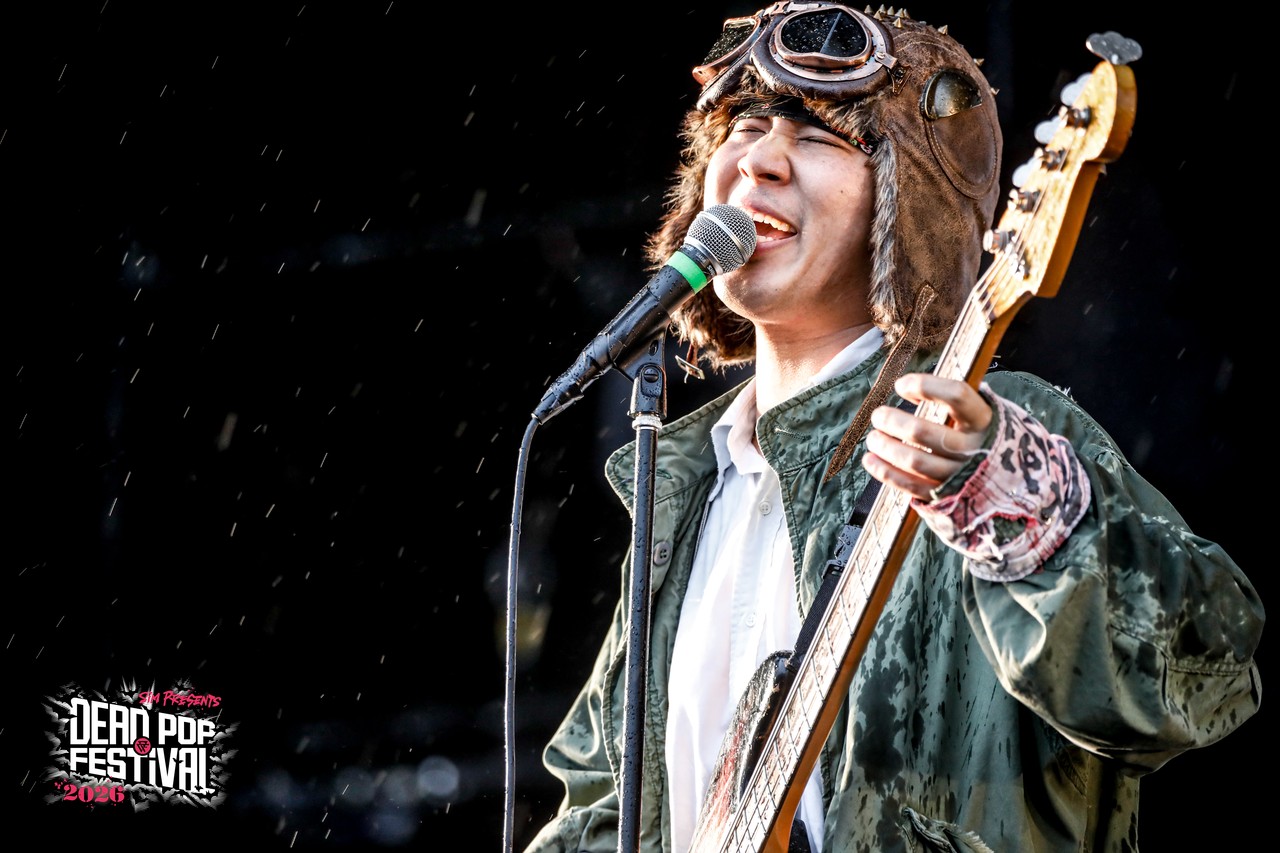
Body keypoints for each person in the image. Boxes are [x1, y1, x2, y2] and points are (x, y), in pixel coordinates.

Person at [522, 4, 1264, 852]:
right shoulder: (684, 492)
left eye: (819, 137)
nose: (759, 159)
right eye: (745, 127)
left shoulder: (993, 431)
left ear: (906, 206)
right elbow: (600, 807)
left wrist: (1027, 512)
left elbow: (1203, 680)